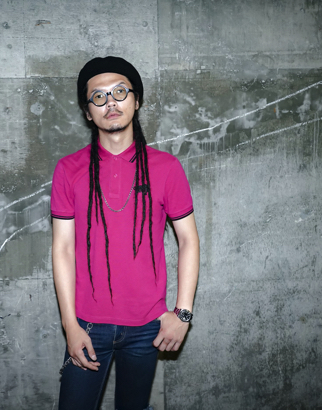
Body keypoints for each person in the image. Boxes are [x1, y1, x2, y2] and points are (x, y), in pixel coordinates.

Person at [51, 56, 200, 410]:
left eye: (120, 91)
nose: (111, 102)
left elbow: (188, 240)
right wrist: (70, 325)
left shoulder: (166, 168)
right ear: (88, 112)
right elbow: (63, 248)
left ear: (137, 100)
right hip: (87, 324)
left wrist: (182, 315)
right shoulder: (68, 169)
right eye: (98, 96)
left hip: (148, 325)